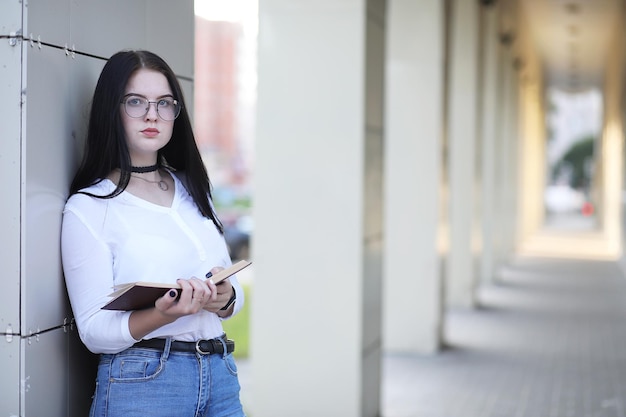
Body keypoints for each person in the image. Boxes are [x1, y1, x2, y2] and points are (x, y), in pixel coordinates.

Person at [61, 50, 245, 417]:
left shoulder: (194, 189)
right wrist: (165, 313)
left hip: (220, 374)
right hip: (147, 382)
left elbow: (233, 301)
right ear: (111, 110)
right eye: (135, 102)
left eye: (164, 103)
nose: (152, 115)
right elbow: (95, 330)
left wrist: (222, 297)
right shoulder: (90, 207)